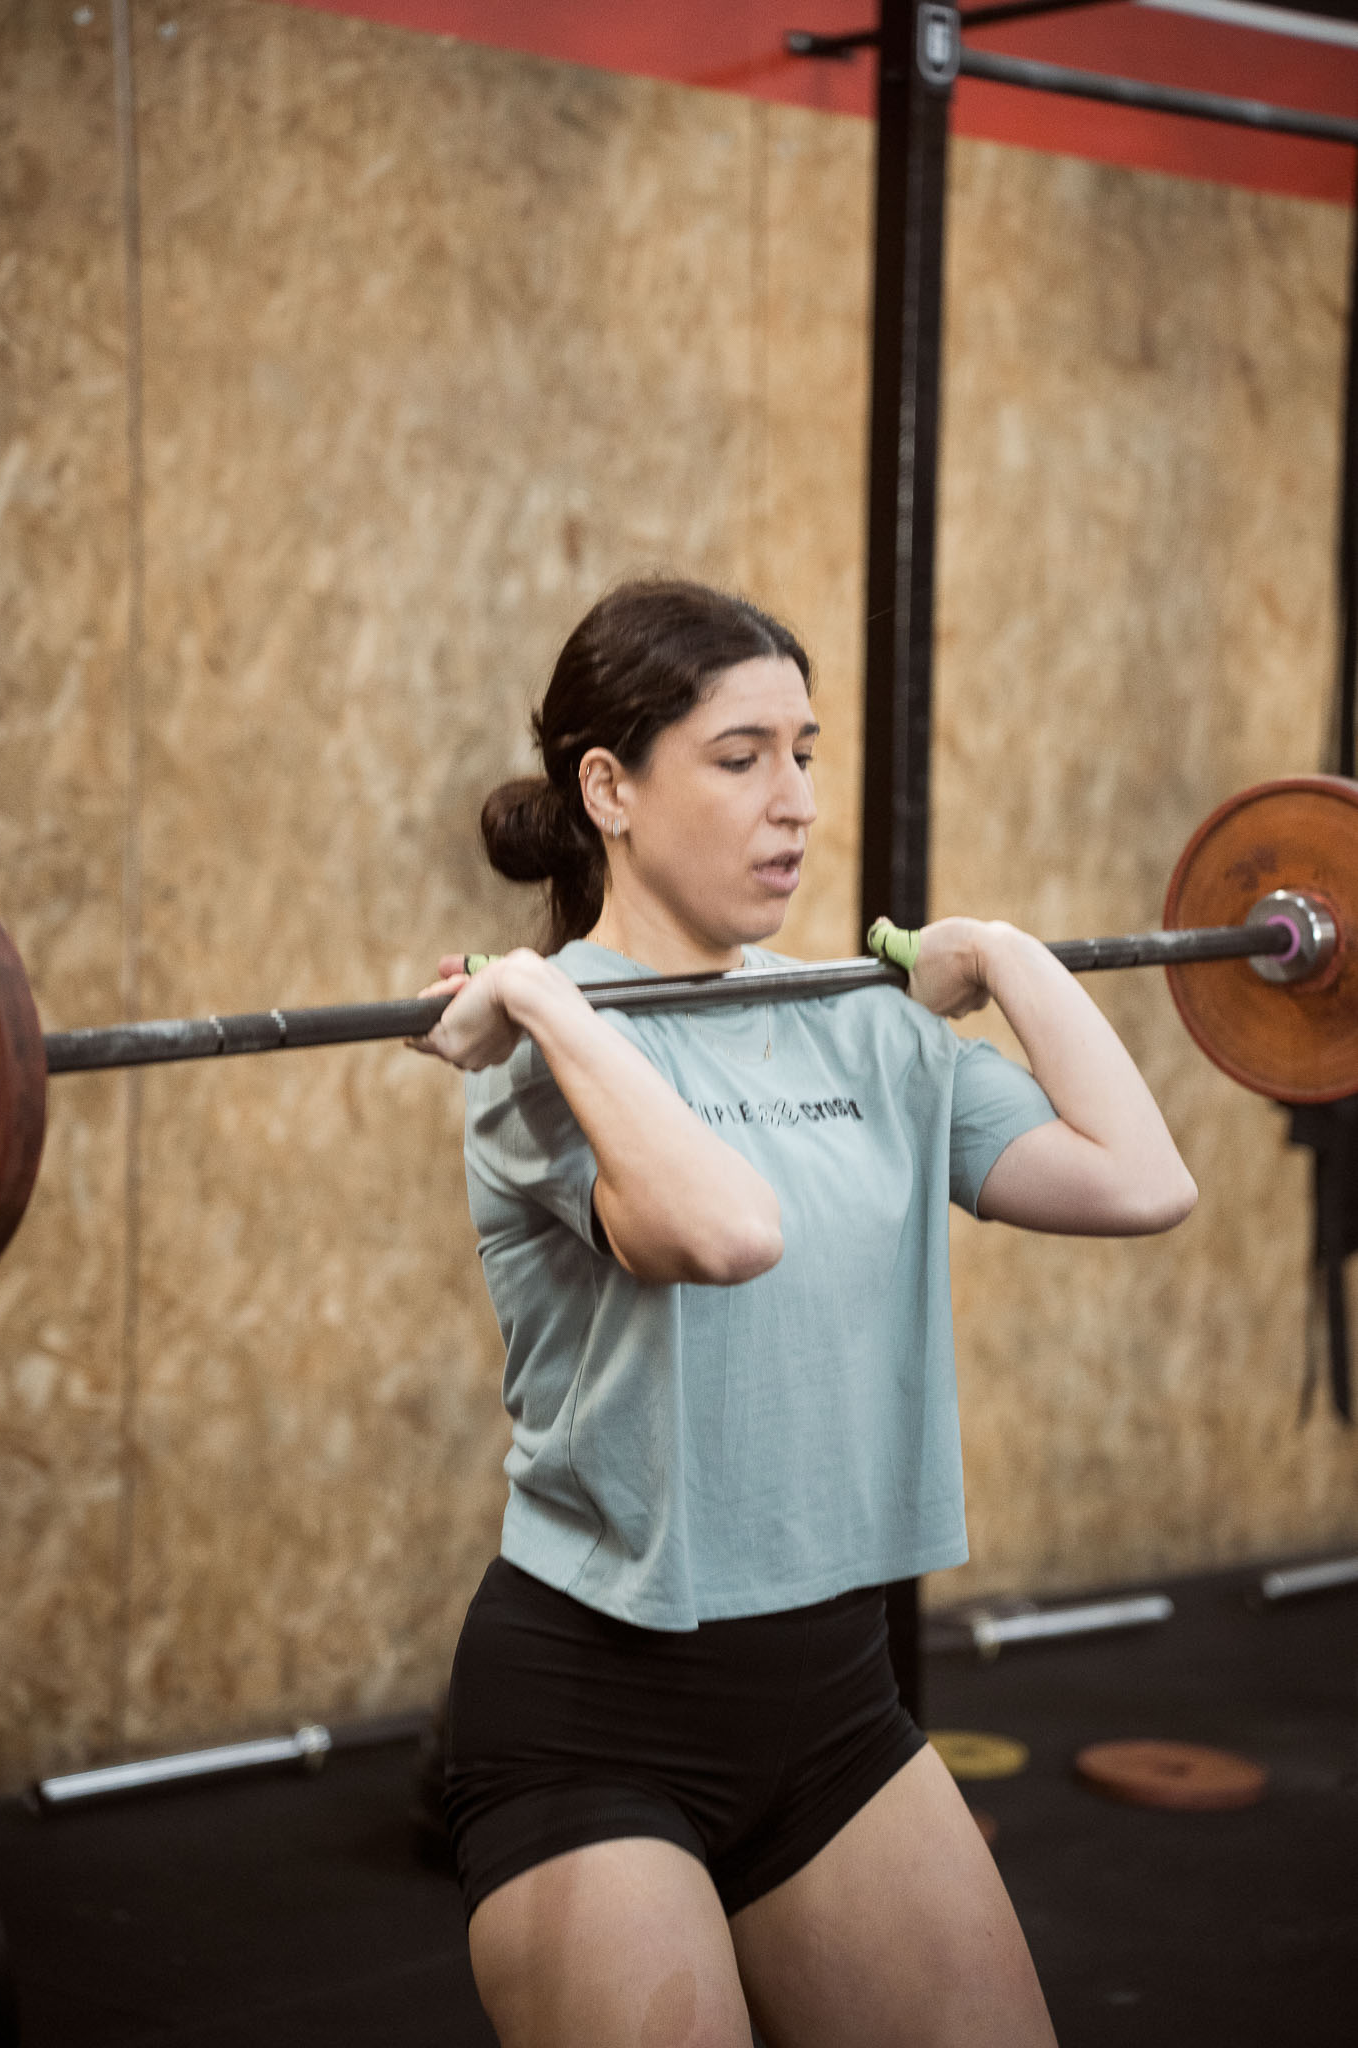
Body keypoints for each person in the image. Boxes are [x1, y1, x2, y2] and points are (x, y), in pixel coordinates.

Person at [410, 579, 1197, 2048]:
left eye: (805, 752)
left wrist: (1004, 958)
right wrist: (555, 1002)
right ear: (609, 790)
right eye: (740, 757)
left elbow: (1141, 1182)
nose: (797, 802)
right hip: (593, 1720)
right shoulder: (532, 1058)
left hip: (832, 1709)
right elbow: (725, 1231)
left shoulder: (857, 1020)